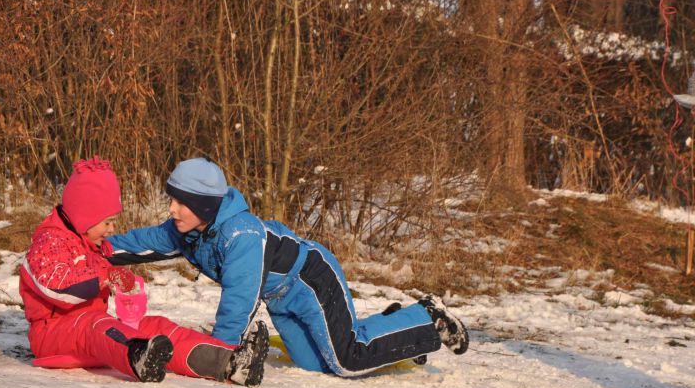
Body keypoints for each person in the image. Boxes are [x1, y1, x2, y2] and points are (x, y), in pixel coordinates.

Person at [107, 157, 469, 376]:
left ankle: (427, 317)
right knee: (315, 366)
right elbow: (140, 245)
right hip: (282, 298)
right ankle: (393, 327)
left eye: (179, 202)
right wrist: (94, 246)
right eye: (171, 199)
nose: (171, 209)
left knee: (346, 360)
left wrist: (220, 355)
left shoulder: (241, 236)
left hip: (310, 279)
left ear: (202, 205)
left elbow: (240, 298)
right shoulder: (186, 231)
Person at [18, 156, 268, 385]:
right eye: (107, 222)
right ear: (85, 217)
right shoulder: (48, 242)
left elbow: (105, 276)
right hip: (52, 335)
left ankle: (229, 363)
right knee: (97, 324)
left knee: (151, 325)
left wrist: (126, 288)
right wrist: (106, 276)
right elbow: (57, 287)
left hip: (91, 329)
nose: (111, 228)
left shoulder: (92, 244)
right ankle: (138, 355)